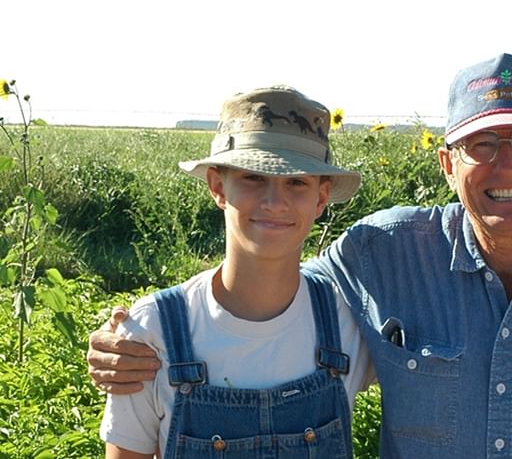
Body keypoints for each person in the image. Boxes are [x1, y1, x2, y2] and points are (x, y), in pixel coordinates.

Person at [89, 54, 512, 458]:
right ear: (447, 163)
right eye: (483, 144)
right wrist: (134, 332)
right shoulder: (383, 253)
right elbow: (268, 286)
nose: (506, 163)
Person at [99, 86, 375, 458]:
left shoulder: (348, 323)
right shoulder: (153, 334)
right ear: (218, 186)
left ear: (321, 198)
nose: (274, 202)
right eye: (253, 177)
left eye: (297, 182)